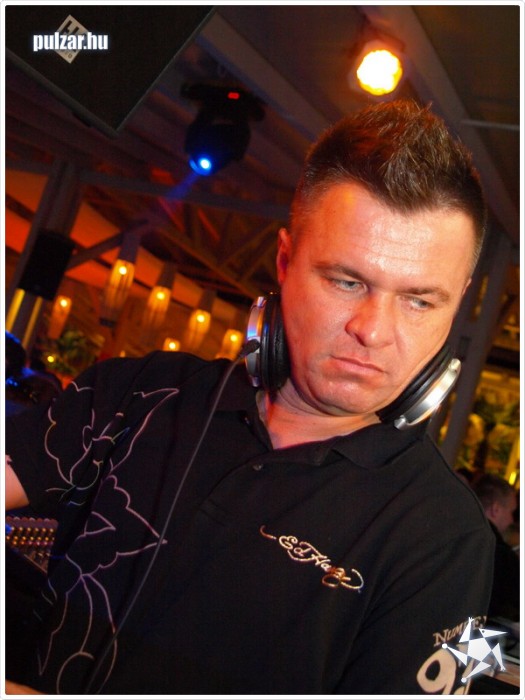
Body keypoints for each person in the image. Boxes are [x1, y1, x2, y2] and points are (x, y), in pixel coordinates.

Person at [5, 100, 496, 695]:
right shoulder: (142, 390)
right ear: (285, 261)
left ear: (458, 301)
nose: (373, 330)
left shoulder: (445, 538)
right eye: (347, 281)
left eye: (419, 300)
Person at [471, 473, 520, 623]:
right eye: (511, 512)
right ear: (495, 509)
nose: (511, 520)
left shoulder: (450, 530)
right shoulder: (500, 555)